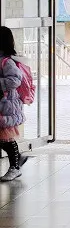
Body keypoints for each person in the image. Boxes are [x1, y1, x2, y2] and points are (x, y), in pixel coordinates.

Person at [0, 27, 28, 182]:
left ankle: (15, 167)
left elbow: (14, 80)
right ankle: (17, 159)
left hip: (5, 107)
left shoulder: (7, 61)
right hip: (3, 105)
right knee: (4, 139)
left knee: (7, 139)